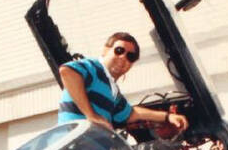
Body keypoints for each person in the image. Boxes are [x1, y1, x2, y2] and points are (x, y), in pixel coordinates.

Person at [56, 32, 190, 135]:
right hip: (73, 145)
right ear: (105, 50)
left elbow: (132, 114)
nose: (123, 57)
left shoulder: (112, 90)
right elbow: (67, 72)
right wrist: (92, 116)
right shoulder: (93, 68)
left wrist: (167, 117)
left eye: (130, 56)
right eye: (119, 50)